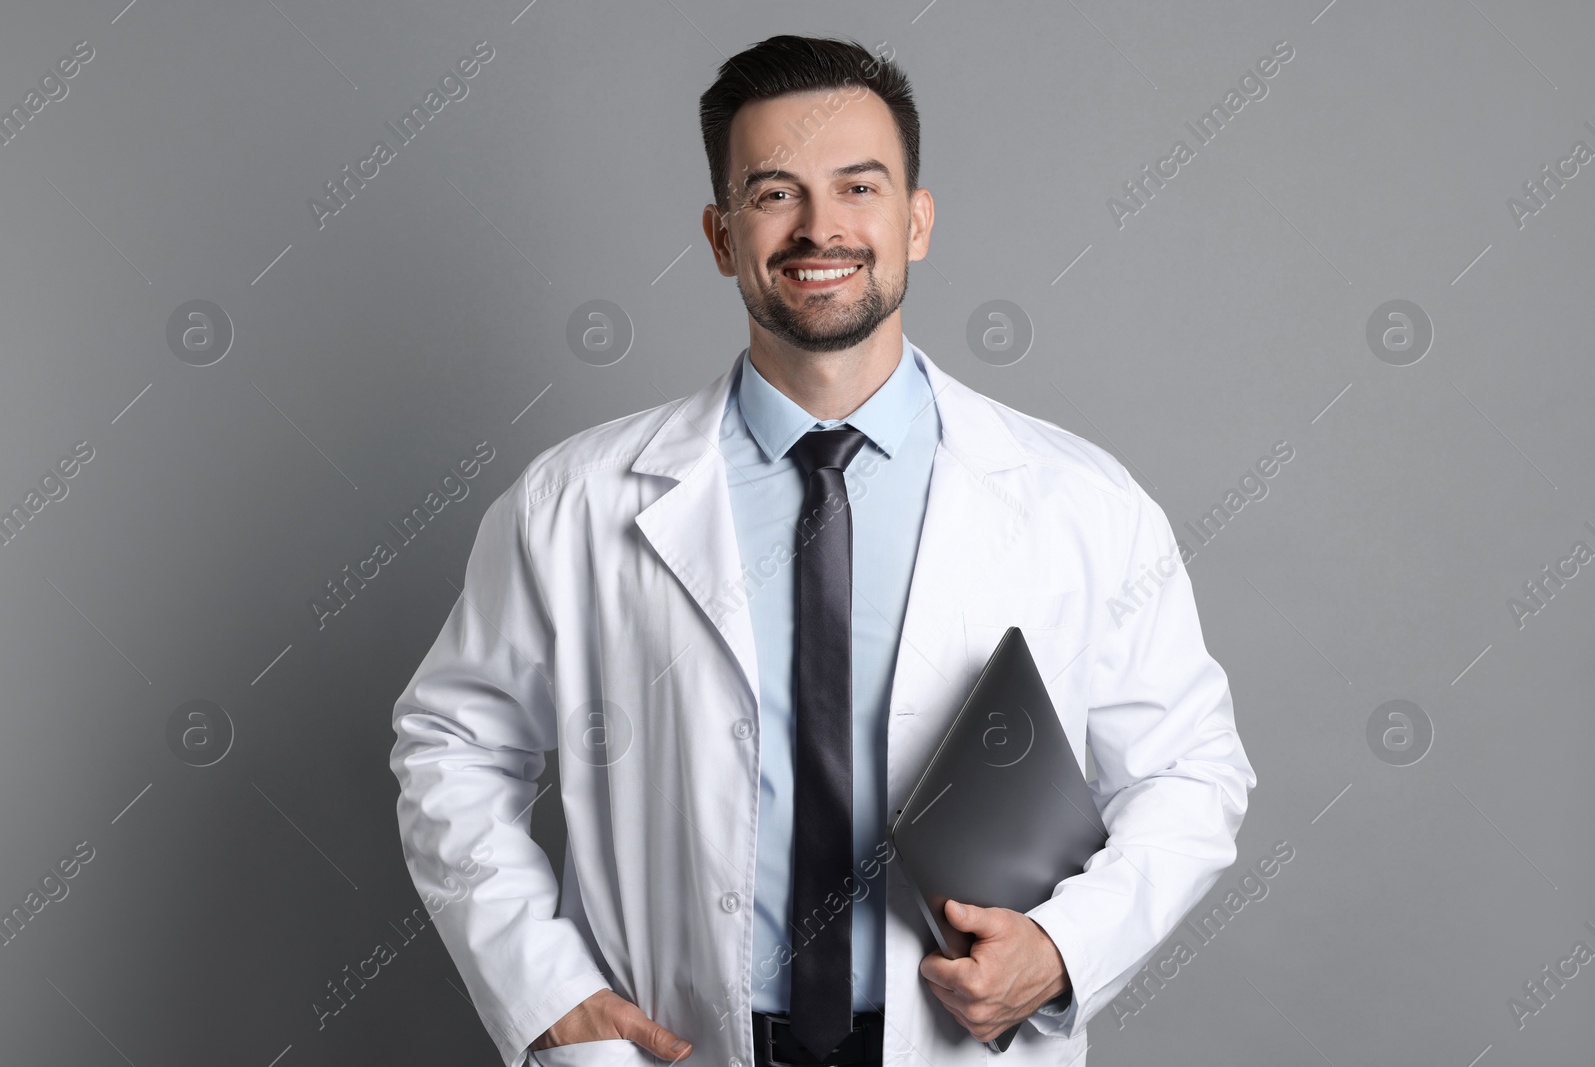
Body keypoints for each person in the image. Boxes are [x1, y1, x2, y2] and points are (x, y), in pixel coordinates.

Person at [390, 34, 1254, 1067]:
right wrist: (544, 988)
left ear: (915, 220)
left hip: (951, 1040)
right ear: (720, 235)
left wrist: (1065, 947)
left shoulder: (1080, 501)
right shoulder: (572, 501)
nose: (820, 227)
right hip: (681, 1041)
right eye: (772, 193)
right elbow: (452, 746)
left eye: (859, 185)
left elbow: (1190, 770)